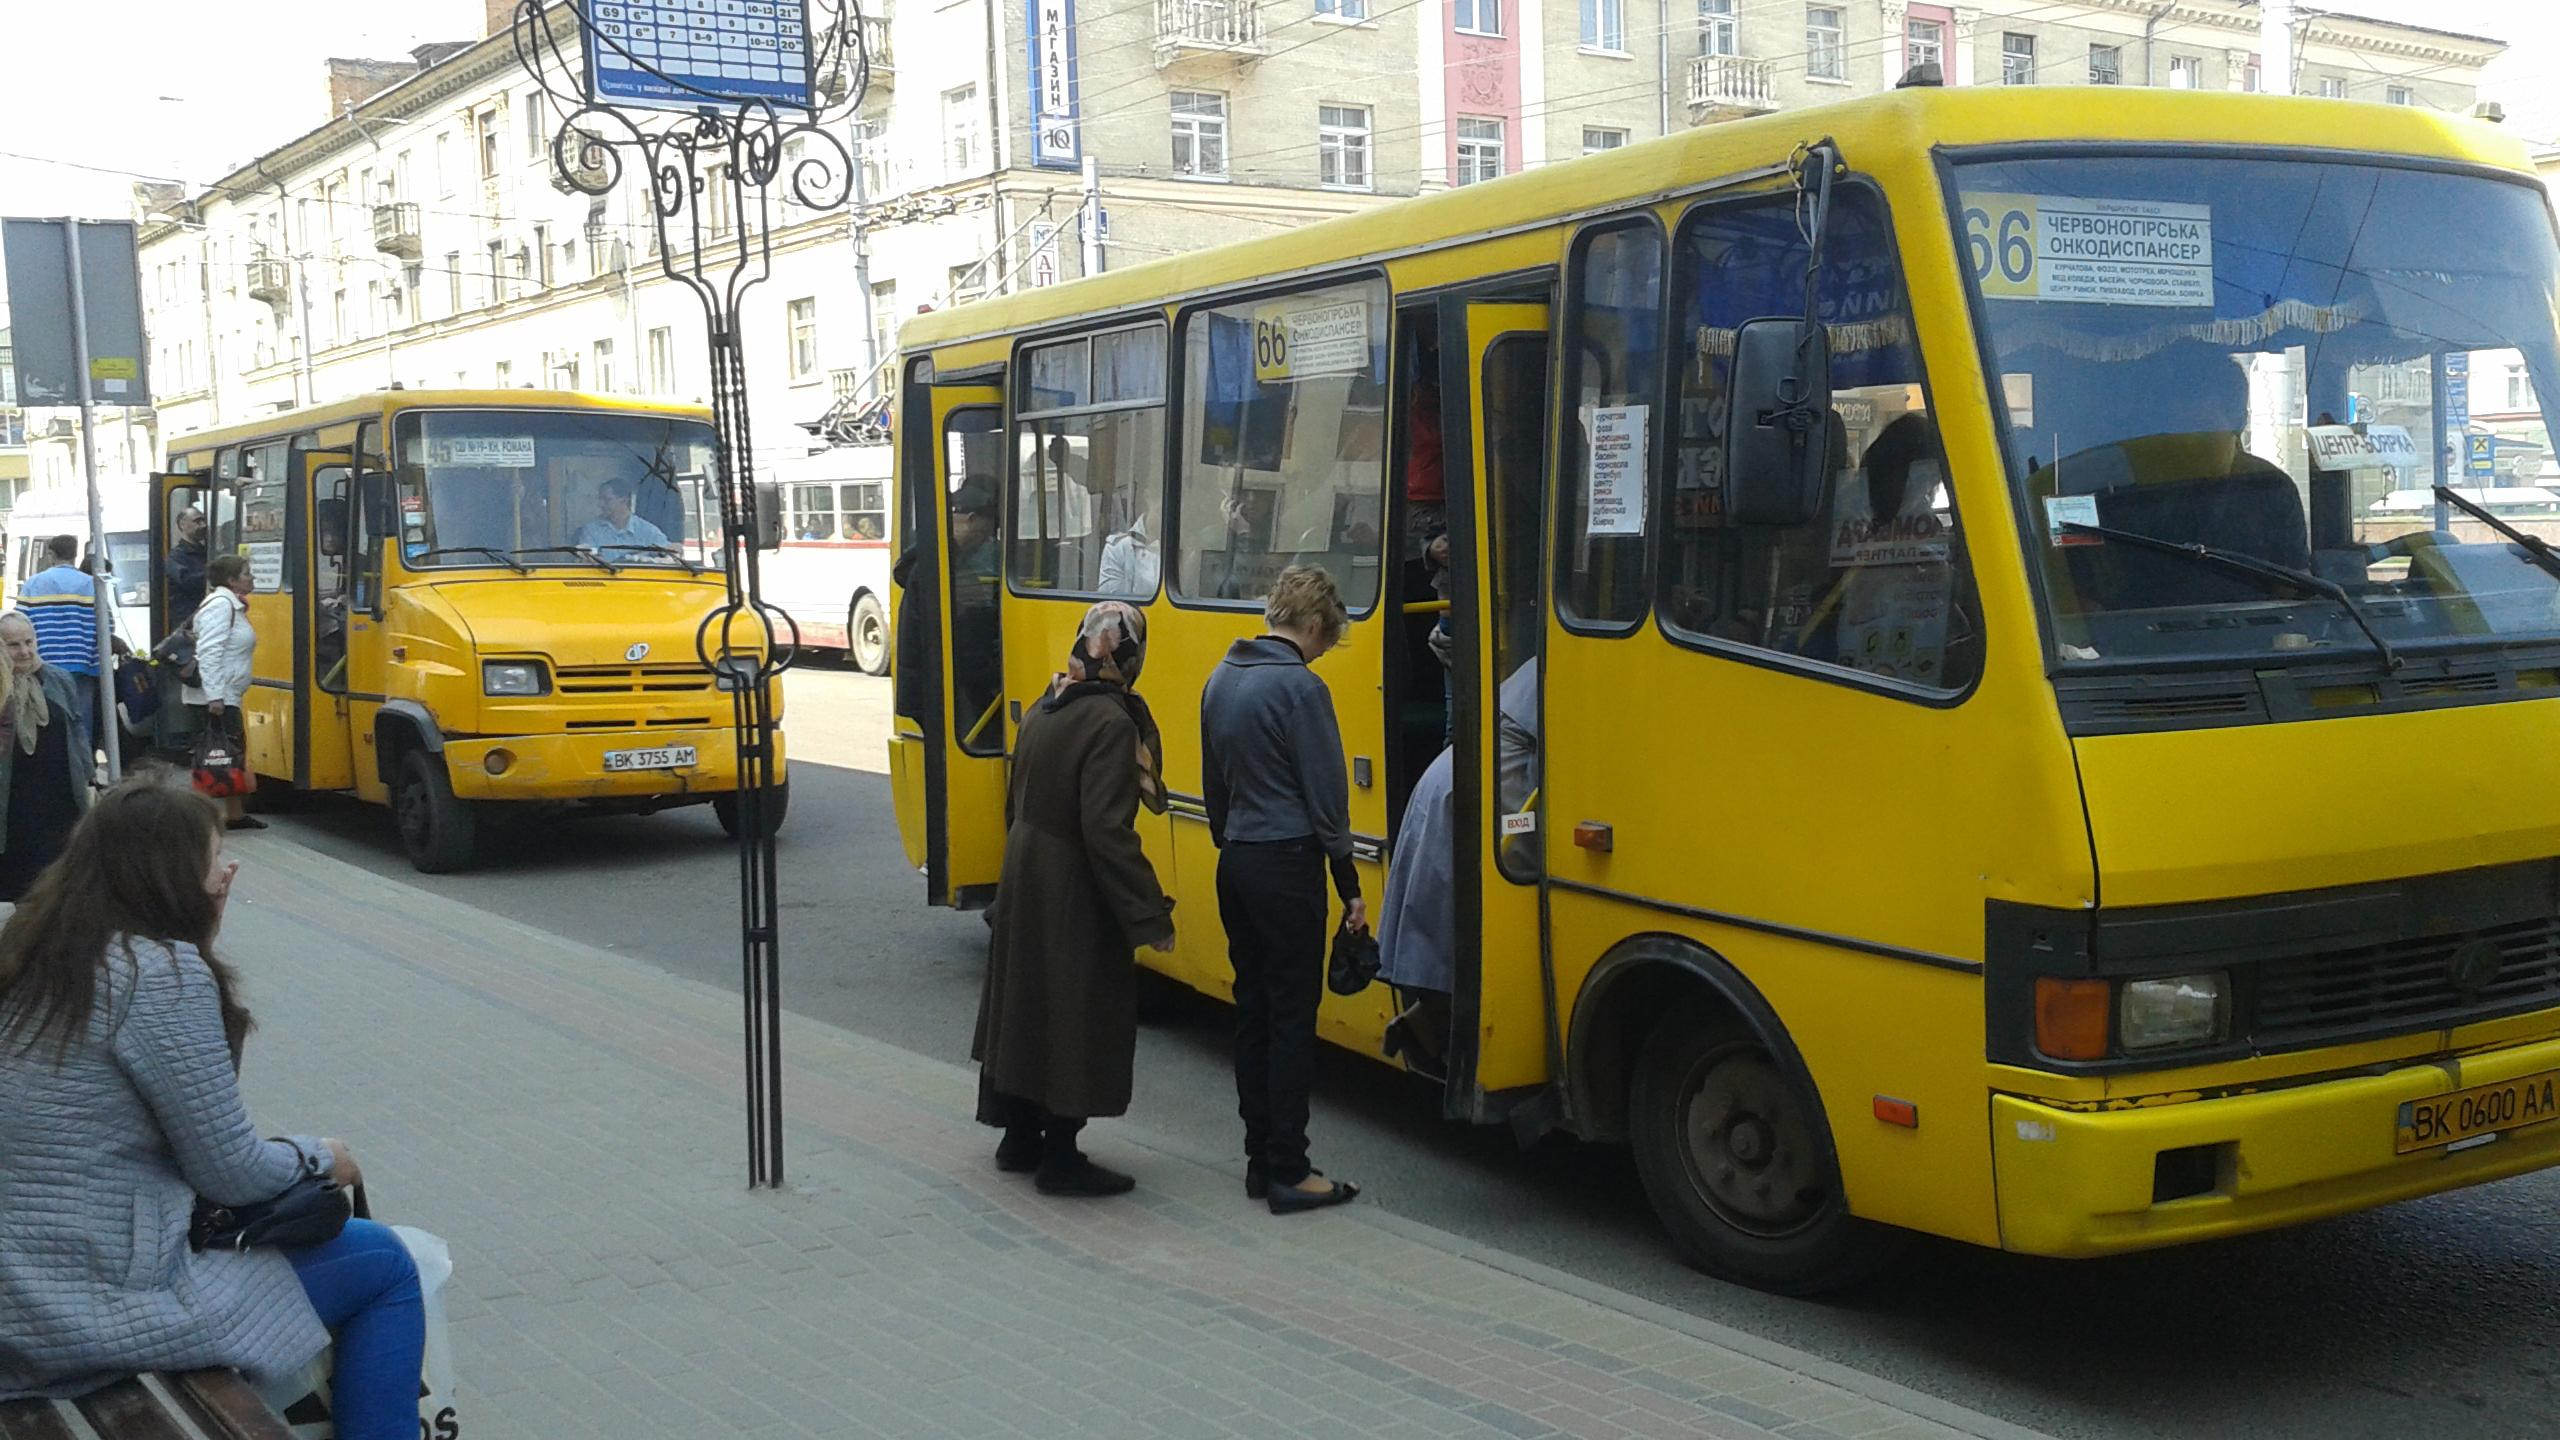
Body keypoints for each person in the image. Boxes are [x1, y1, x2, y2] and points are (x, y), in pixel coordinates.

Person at [0, 780, 425, 1436]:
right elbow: (230, 1172)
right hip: (84, 1312)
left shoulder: (34, 957)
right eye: (213, 858)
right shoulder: (158, 974)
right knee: (385, 1263)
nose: (227, 872)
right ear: (168, 878)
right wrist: (323, 1156)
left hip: (21, 1299)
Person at [972, 600, 1176, 1197]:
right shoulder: (1110, 725)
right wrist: (1148, 915)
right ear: (1129, 658)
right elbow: (1108, 832)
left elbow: (1016, 799)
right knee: (1073, 1009)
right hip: (1071, 889)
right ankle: (1060, 1155)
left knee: (1026, 1003)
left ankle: (1018, 1139)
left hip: (1027, 869)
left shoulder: (1047, 704)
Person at [1200, 565, 1364, 1215]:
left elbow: (1215, 788)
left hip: (1236, 861)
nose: (1326, 652)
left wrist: (1232, 838)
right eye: (1330, 639)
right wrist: (1348, 882)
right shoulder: (1301, 689)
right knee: (1293, 1019)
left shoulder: (1220, 678)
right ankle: (1291, 1172)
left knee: (1255, 1013)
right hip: (1288, 867)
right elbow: (1327, 800)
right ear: (1317, 625)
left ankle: (1259, 1158)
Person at [1376, 661, 1541, 1071]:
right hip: (1478, 796)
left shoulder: (1543, 663)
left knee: (1441, 917)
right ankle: (1456, 1036)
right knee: (1500, 912)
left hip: (1451, 781)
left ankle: (1427, 1019)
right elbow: (1545, 786)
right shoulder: (1576, 670)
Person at [0, 612, 94, 902]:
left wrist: (87, 773)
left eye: (29, 641)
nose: (25, 651)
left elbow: (77, 727)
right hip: (12, 803)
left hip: (59, 799)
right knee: (20, 882)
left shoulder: (58, 679)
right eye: (14, 645)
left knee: (60, 879)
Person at [185, 554, 261, 832]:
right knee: (214, 757)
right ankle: (198, 821)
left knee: (229, 755)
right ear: (231, 581)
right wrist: (215, 696)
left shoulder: (232, 605)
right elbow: (209, 651)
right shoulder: (221, 605)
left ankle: (235, 816)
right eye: (246, 573)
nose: (251, 577)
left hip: (227, 693)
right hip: (217, 697)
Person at [17, 534, 102, 745]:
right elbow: (107, 625)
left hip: (44, 665)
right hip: (84, 664)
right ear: (75, 554)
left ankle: (58, 768)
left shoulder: (34, 584)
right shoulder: (92, 584)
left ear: (51, 554)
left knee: (48, 717)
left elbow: (20, 625)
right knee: (81, 719)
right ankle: (83, 771)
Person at [570, 476, 671, 557]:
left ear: (624, 500)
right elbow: (588, 559)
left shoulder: (648, 531)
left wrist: (673, 548)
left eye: (606, 500)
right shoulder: (591, 530)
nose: (600, 504)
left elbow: (670, 552)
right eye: (600, 499)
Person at [1096, 505, 1160, 598]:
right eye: (1159, 510)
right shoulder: (1117, 548)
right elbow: (1110, 603)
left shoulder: (1185, 550)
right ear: (1148, 498)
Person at [166, 506, 211, 625]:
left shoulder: (207, 552)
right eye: (197, 521)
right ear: (182, 525)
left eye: (204, 521)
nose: (203, 525)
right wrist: (215, 573)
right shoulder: (176, 556)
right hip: (188, 620)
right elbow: (187, 581)